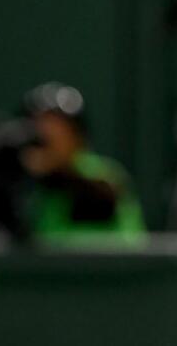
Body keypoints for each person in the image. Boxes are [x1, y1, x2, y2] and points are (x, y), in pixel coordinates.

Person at [20, 82, 146, 246]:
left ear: (78, 136)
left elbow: (130, 241)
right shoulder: (24, 180)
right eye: (39, 134)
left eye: (57, 130)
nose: (45, 136)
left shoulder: (102, 177)